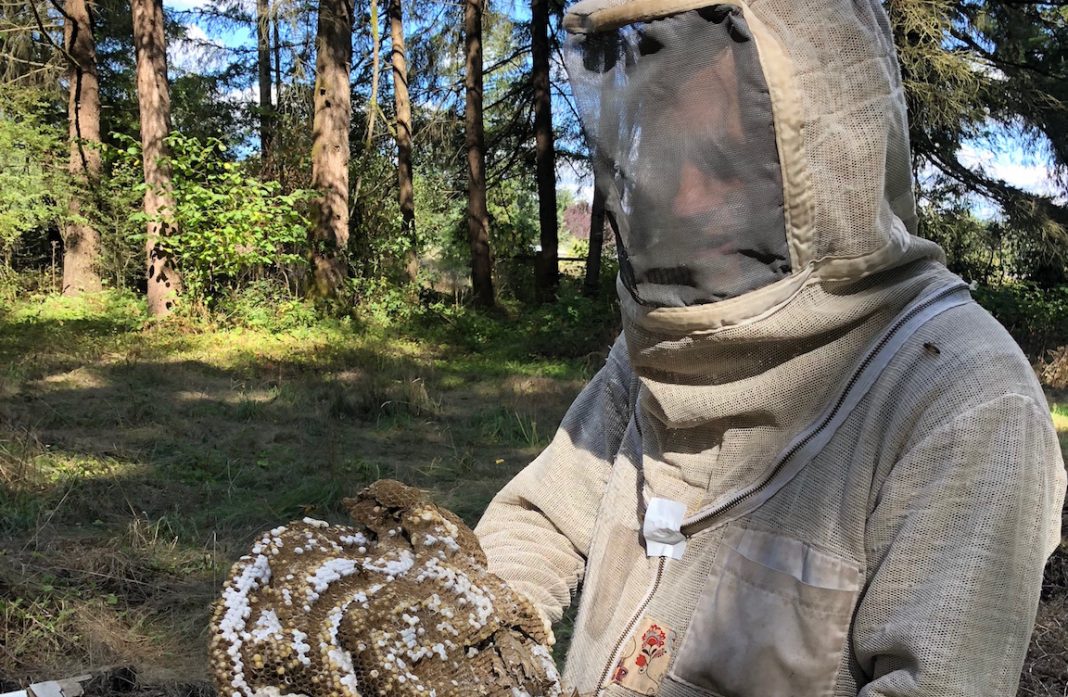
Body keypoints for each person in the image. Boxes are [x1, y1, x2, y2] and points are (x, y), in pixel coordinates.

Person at [473, 0, 1067, 694]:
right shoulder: (658, 353)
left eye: (726, 163)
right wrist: (472, 653)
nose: (687, 198)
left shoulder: (966, 400)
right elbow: (541, 522)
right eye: (672, 159)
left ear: (831, 153)